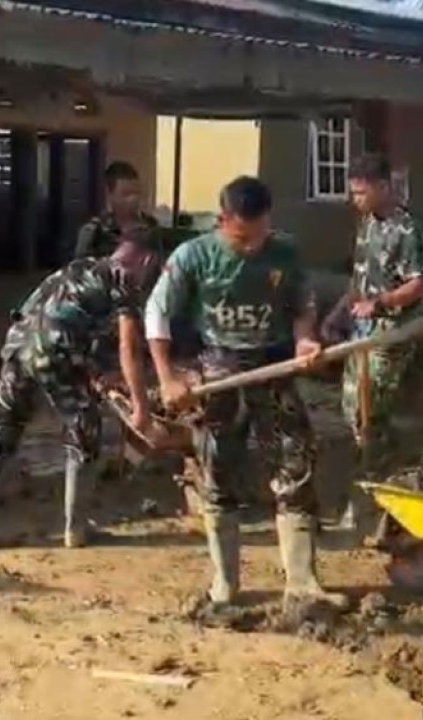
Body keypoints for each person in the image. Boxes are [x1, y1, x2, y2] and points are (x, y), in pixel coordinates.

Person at [145, 175, 345, 610]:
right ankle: (225, 584)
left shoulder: (285, 252)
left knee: (297, 464)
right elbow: (156, 315)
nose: (252, 246)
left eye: (258, 236)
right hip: (219, 370)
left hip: (274, 365)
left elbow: (302, 307)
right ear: (222, 221)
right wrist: (168, 378)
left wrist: (306, 341)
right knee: (217, 471)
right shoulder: (193, 256)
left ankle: (303, 583)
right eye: (241, 238)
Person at [0, 235, 158, 553]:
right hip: (53, 352)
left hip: (18, 346)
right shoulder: (125, 282)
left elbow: (62, 317)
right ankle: (76, 529)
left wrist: (92, 370)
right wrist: (141, 407)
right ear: (144, 262)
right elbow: (128, 348)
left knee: (1, 432)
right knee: (84, 429)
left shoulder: (81, 267)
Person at [327, 154, 423, 543]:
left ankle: (381, 507)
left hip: (390, 334)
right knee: (354, 414)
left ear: (383, 187)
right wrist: (337, 313)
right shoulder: (367, 225)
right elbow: (358, 279)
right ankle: (376, 496)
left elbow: (419, 284)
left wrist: (382, 303)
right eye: (352, 191)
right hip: (360, 331)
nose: (354, 198)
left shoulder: (407, 230)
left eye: (360, 191)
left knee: (372, 418)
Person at [75, 161, 159, 260]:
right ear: (110, 195)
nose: (133, 199)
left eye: (137, 193)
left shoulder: (150, 226)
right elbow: (81, 269)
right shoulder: (95, 231)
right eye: (126, 194)